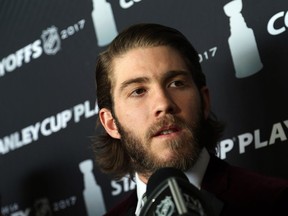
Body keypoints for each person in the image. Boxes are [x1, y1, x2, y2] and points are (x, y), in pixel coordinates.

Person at [93, 23, 288, 216]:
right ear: (111, 123)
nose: (163, 103)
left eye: (176, 83)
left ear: (204, 101)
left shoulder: (274, 200)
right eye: (138, 91)